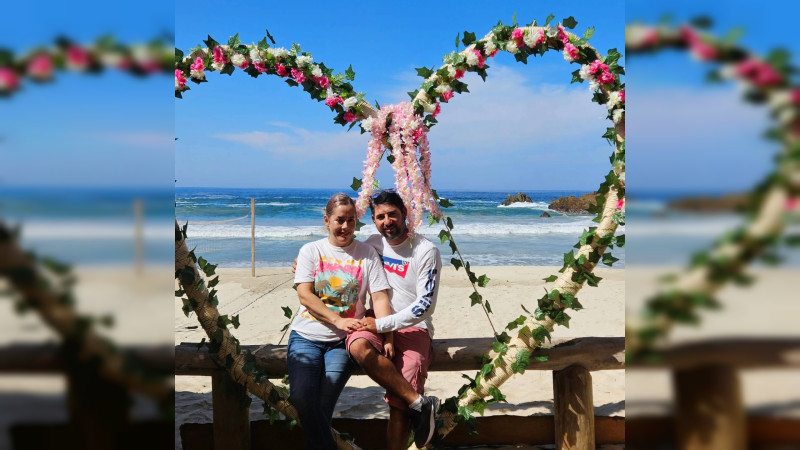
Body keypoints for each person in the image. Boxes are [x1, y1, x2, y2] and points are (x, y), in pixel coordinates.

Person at [288, 193, 393, 450]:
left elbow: (379, 298)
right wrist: (338, 319)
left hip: (342, 343)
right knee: (301, 398)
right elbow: (304, 294)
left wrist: (388, 333)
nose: (345, 227)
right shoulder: (311, 251)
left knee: (322, 408)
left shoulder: (367, 254)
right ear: (327, 220)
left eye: (351, 221)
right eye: (339, 220)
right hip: (305, 337)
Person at [346, 190, 443, 449]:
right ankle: (422, 404)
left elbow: (425, 306)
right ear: (373, 219)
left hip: (414, 329)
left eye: (392, 214)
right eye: (380, 216)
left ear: (405, 214)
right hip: (375, 320)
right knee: (357, 346)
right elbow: (339, 259)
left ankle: (411, 403)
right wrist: (303, 263)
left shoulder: (426, 250)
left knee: (399, 408)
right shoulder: (372, 244)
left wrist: (384, 326)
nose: (387, 221)